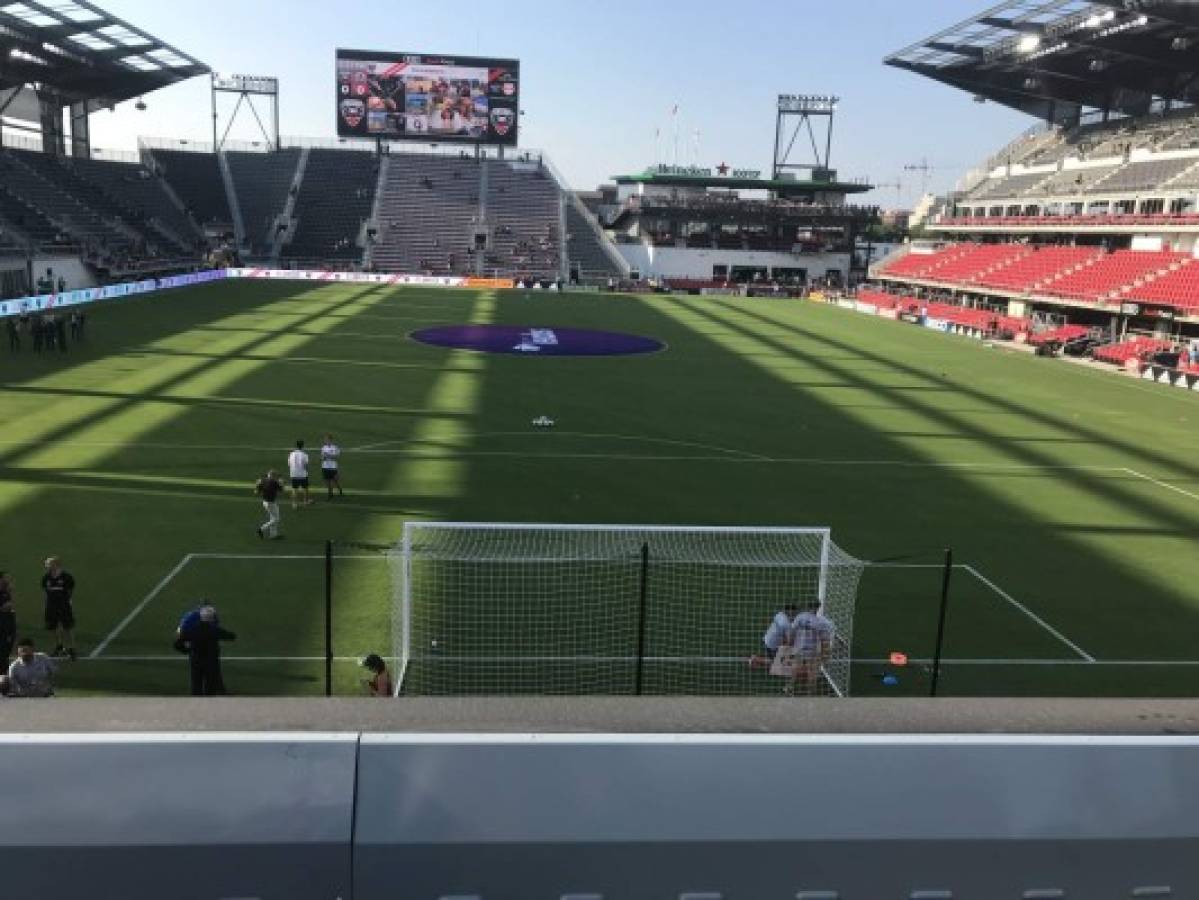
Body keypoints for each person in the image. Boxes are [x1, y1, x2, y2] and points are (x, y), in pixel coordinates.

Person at [173, 604, 236, 696]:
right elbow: (232, 636)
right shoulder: (215, 630)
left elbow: (177, 644)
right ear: (212, 617)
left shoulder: (193, 630)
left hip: (196, 660)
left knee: (196, 685)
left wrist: (188, 651)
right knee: (210, 687)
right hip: (211, 661)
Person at [789, 601, 836, 696]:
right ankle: (810, 694)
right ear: (818, 608)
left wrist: (790, 645)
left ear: (807, 606)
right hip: (811, 651)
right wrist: (825, 652)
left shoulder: (800, 616)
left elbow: (792, 631)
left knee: (796, 669)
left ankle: (789, 688)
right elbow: (825, 637)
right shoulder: (819, 621)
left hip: (799, 648)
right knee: (812, 673)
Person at [41, 557, 76, 660]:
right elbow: (45, 592)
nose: (46, 566)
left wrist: (68, 601)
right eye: (46, 564)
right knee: (52, 627)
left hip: (64, 606)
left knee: (67, 627)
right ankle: (59, 646)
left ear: (56, 564)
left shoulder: (66, 577)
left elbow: (70, 590)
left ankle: (71, 649)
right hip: (51, 606)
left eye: (48, 564)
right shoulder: (46, 578)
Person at [254, 469, 285, 540]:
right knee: (276, 519)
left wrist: (257, 485)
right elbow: (282, 490)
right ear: (273, 476)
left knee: (272, 517)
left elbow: (256, 492)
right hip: (271, 503)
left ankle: (273, 535)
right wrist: (282, 483)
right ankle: (261, 529)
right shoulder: (274, 482)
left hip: (265, 503)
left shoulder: (263, 481)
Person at [287, 439, 311, 509]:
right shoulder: (305, 455)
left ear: (296, 446)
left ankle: (294, 504)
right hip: (303, 474)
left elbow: (289, 464)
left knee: (294, 489)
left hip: (294, 473)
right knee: (305, 489)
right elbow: (306, 465)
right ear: (303, 446)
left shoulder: (291, 454)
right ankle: (305, 502)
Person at [320, 434, 344, 500]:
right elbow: (322, 457)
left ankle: (340, 490)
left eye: (327, 439)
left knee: (335, 480)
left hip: (333, 467)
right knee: (327, 481)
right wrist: (323, 458)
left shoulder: (335, 448)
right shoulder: (323, 448)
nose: (325, 441)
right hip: (325, 467)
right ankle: (330, 493)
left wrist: (328, 455)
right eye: (325, 440)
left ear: (330, 440)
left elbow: (336, 457)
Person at [0, 571, 15, 664]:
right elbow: (7, 606)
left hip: (8, 619)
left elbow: (12, 604)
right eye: (6, 578)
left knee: (9, 642)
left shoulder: (7, 591)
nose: (8, 580)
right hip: (2, 619)